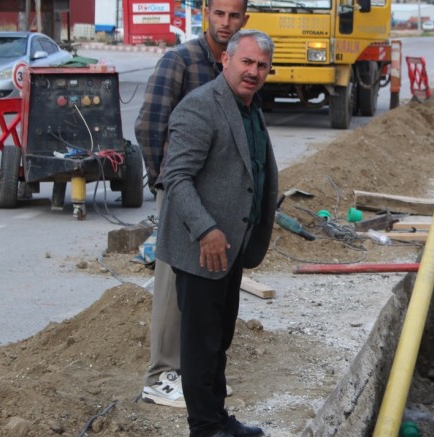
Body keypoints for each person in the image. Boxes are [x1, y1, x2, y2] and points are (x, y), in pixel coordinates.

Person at [157, 29, 278, 437]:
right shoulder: (200, 107)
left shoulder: (250, 108)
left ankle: (218, 418)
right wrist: (205, 228)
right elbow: (176, 177)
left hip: (232, 247)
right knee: (200, 344)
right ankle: (204, 427)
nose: (253, 71)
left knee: (220, 339)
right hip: (202, 248)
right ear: (225, 61)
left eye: (261, 66)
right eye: (246, 62)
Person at [135, 0, 250, 409]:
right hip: (182, 194)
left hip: (216, 200)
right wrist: (163, 185)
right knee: (171, 286)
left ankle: (197, 376)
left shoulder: (239, 65)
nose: (226, 22)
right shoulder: (180, 61)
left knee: (205, 290)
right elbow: (149, 123)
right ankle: (161, 375)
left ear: (245, 19)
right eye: (219, 14)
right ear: (206, 14)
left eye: (234, 16)